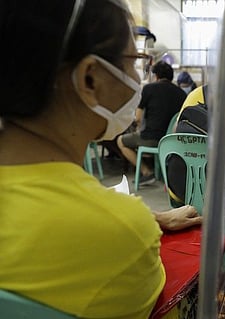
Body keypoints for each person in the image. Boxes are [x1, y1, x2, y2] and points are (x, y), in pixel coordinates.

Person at [0, 1, 202, 318]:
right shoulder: (122, 232)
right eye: (135, 61)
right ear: (90, 79)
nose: (139, 76)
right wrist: (134, 221)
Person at [117, 60, 187, 186]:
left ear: (156, 76)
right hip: (171, 140)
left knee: (121, 141)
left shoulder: (149, 88)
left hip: (152, 138)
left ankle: (147, 172)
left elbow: (137, 118)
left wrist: (138, 127)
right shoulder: (181, 93)